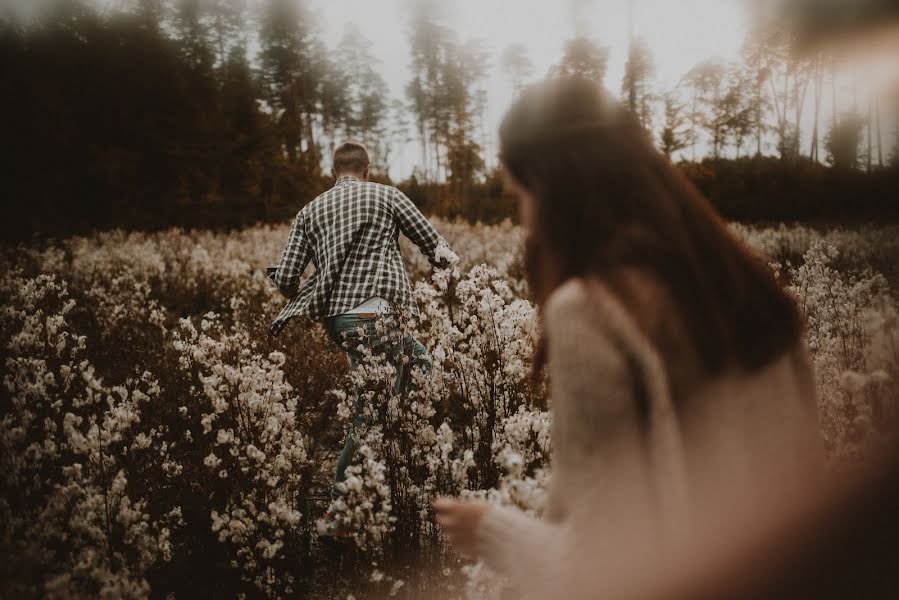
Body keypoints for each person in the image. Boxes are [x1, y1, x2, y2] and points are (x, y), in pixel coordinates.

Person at [434, 78, 822, 598]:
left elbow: (603, 565)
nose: (523, 219)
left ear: (554, 189)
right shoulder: (746, 291)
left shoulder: (589, 312)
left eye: (518, 195)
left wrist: (488, 529)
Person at [267, 141, 454, 520]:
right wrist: (450, 276)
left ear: (333, 171)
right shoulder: (387, 196)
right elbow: (434, 245)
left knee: (421, 366)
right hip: (377, 316)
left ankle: (396, 455)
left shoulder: (309, 211)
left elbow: (287, 278)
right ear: (367, 169)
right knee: (369, 411)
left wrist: (303, 283)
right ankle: (342, 510)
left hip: (340, 322)